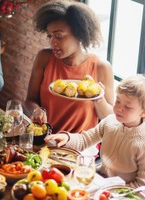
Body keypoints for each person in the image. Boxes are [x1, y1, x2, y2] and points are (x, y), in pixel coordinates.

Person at [45, 74, 145, 189]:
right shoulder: (110, 121)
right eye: (118, 101)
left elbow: (143, 186)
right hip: (98, 179)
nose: (119, 108)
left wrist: (112, 192)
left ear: (144, 112)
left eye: (128, 107)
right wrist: (67, 138)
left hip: (120, 192)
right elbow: (85, 140)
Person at [23, 0, 114, 134]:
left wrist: (98, 99)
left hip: (81, 148)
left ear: (79, 34)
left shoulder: (101, 67)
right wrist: (36, 110)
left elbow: (108, 118)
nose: (52, 42)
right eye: (50, 36)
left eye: (59, 37)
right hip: (46, 140)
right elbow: (30, 100)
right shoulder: (44, 58)